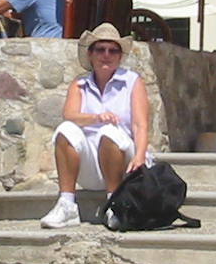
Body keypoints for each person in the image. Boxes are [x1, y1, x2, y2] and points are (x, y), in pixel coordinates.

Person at [41, 23, 150, 229]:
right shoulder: (79, 84)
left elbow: (140, 125)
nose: (106, 55)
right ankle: (67, 205)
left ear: (119, 56)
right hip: (90, 163)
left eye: (113, 50)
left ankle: (115, 204)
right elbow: (69, 115)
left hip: (123, 162)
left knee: (109, 133)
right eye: (100, 49)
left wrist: (140, 156)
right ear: (90, 54)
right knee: (65, 129)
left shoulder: (132, 81)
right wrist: (97, 118)